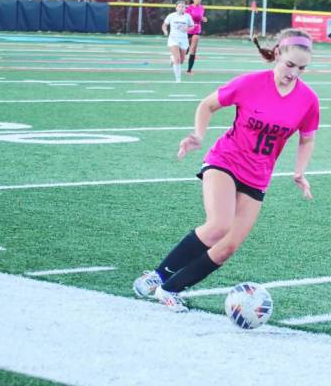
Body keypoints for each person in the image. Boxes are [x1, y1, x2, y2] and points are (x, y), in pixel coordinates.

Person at [133, 29, 320, 312]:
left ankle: (169, 289)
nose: (294, 73)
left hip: (258, 176)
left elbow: (307, 139)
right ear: (278, 54)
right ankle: (157, 276)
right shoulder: (250, 83)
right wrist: (198, 135)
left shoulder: (308, 100)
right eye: (290, 65)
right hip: (225, 161)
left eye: (302, 68)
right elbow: (207, 105)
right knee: (218, 225)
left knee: (229, 246)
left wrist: (299, 172)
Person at [162, 1, 195, 83]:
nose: (181, 8)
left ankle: (172, 58)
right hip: (173, 39)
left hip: (183, 40)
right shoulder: (171, 16)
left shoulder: (187, 16)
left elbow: (192, 26)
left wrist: (187, 29)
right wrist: (165, 31)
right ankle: (178, 79)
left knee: (182, 61)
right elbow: (164, 25)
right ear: (176, 7)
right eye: (180, 6)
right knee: (178, 59)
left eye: (183, 7)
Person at [185, 0, 208, 75]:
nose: (198, 0)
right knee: (185, 49)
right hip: (188, 29)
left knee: (193, 49)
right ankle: (176, 58)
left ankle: (189, 70)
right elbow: (187, 18)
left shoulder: (202, 8)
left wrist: (203, 19)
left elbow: (200, 17)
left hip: (197, 29)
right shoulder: (188, 8)